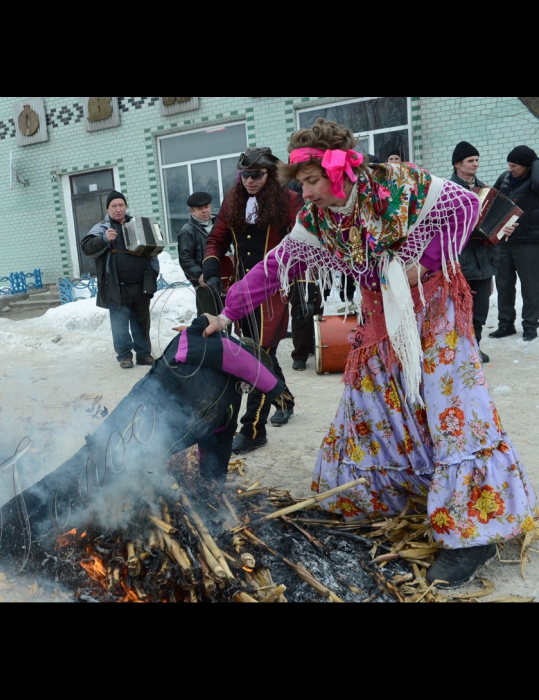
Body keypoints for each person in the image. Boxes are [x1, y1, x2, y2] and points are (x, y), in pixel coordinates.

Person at [203, 118, 537, 588]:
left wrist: (423, 265)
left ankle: (474, 535)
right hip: (382, 317)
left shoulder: (396, 184)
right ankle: (385, 497)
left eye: (312, 181)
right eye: (301, 184)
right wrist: (225, 313)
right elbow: (278, 263)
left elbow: (464, 205)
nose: (308, 192)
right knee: (370, 403)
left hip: (434, 310)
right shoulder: (317, 220)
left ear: (338, 169)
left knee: (452, 411)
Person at [0, 315, 284, 555]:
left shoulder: (226, 412)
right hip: (117, 436)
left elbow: (214, 463)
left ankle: (16, 550)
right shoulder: (201, 345)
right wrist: (276, 386)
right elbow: (256, 371)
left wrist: (211, 505)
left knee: (75, 505)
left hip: (138, 459)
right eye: (248, 381)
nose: (247, 388)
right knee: (57, 488)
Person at [202, 147, 303, 453]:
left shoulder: (290, 200)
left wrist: (307, 287)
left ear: (270, 175)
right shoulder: (233, 200)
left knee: (258, 355)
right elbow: (216, 238)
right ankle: (284, 398)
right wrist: (211, 264)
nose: (249, 180)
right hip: (240, 292)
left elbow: (305, 241)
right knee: (257, 352)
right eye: (245, 174)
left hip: (273, 291)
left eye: (256, 175)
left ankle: (253, 428)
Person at [81, 190, 159, 369]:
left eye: (121, 205)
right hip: (117, 287)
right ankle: (124, 356)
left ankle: (144, 354)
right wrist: (103, 239)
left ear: (126, 206)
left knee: (142, 322)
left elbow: (153, 251)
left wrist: (153, 274)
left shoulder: (137, 224)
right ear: (108, 208)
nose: (118, 209)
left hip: (140, 285)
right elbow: (86, 247)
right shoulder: (102, 227)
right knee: (120, 324)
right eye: (114, 206)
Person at [449, 141, 497, 362]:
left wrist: (506, 226)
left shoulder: (486, 191)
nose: (475, 164)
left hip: (484, 259)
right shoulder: (448, 190)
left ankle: (475, 345)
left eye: (477, 160)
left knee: (480, 311)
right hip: (461, 259)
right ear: (457, 164)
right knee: (460, 308)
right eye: (470, 161)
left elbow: (495, 222)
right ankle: (462, 350)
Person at [488, 146, 539, 342]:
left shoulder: (534, 179)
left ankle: (530, 325)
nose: (511, 169)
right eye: (509, 165)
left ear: (527, 165)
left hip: (528, 240)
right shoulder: (505, 178)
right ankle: (506, 324)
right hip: (504, 240)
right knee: (504, 283)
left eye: (515, 165)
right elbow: (492, 199)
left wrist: (536, 164)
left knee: (530, 284)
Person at [177, 191, 222, 317]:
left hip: (224, 280)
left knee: (225, 321)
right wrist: (199, 275)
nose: (205, 211)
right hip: (204, 284)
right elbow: (185, 259)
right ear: (192, 211)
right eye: (199, 209)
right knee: (208, 321)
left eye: (207, 207)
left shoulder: (220, 224)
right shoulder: (187, 231)